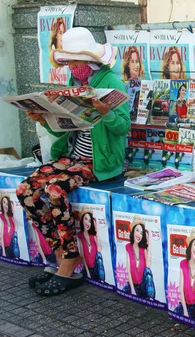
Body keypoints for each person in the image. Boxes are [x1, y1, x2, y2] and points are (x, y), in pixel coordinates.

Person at [16, 27, 129, 296]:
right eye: (68, 61)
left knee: (54, 189)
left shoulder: (112, 81)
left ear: (90, 59)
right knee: (25, 191)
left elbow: (122, 127)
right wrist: (43, 119)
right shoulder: (72, 81)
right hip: (73, 156)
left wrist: (105, 113)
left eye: (76, 61)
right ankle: (59, 251)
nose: (72, 66)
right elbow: (63, 128)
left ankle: (70, 259)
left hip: (98, 161)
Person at [123, 217, 155, 299]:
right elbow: (129, 272)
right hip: (133, 285)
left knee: (148, 271)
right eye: (137, 230)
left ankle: (150, 298)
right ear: (133, 231)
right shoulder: (128, 247)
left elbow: (148, 266)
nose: (139, 235)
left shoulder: (143, 249)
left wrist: (149, 242)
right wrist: (133, 290)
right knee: (124, 292)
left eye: (141, 233)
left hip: (143, 285)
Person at [76, 211, 104, 281]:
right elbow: (82, 255)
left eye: (90, 221)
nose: (87, 223)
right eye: (85, 219)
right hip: (87, 269)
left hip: (96, 269)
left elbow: (99, 250)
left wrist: (97, 231)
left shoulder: (93, 236)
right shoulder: (80, 235)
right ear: (82, 220)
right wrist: (88, 273)